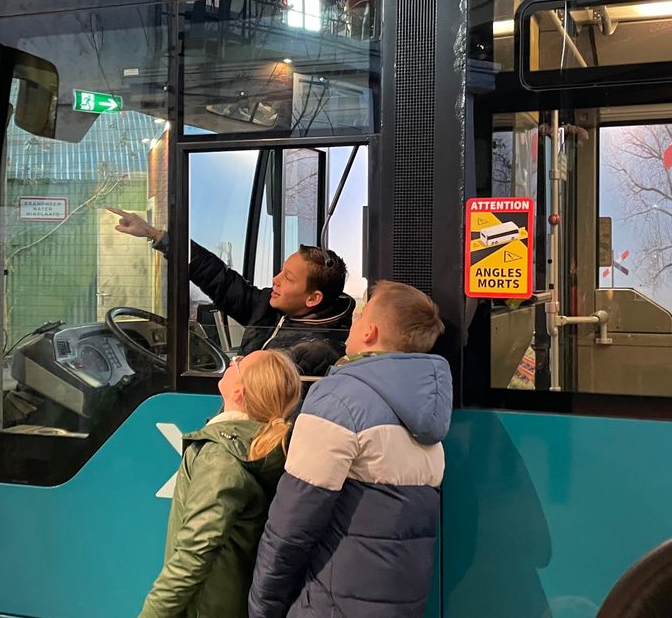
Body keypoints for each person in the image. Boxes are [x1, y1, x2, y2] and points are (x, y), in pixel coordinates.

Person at [248, 281, 453, 618]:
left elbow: (291, 524)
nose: (352, 324)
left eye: (358, 317)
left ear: (369, 332)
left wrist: (263, 605)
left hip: (331, 603)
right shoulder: (428, 413)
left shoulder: (338, 399)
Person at [138, 349, 302, 618]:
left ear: (239, 393)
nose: (231, 362)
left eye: (237, 363)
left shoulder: (220, 458)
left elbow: (194, 553)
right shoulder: (262, 448)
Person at [107, 208, 354, 375]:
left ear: (313, 298)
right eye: (280, 271)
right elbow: (219, 278)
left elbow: (259, 392)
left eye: (288, 278)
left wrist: (237, 368)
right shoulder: (272, 308)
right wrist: (156, 235)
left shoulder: (318, 351)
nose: (275, 280)